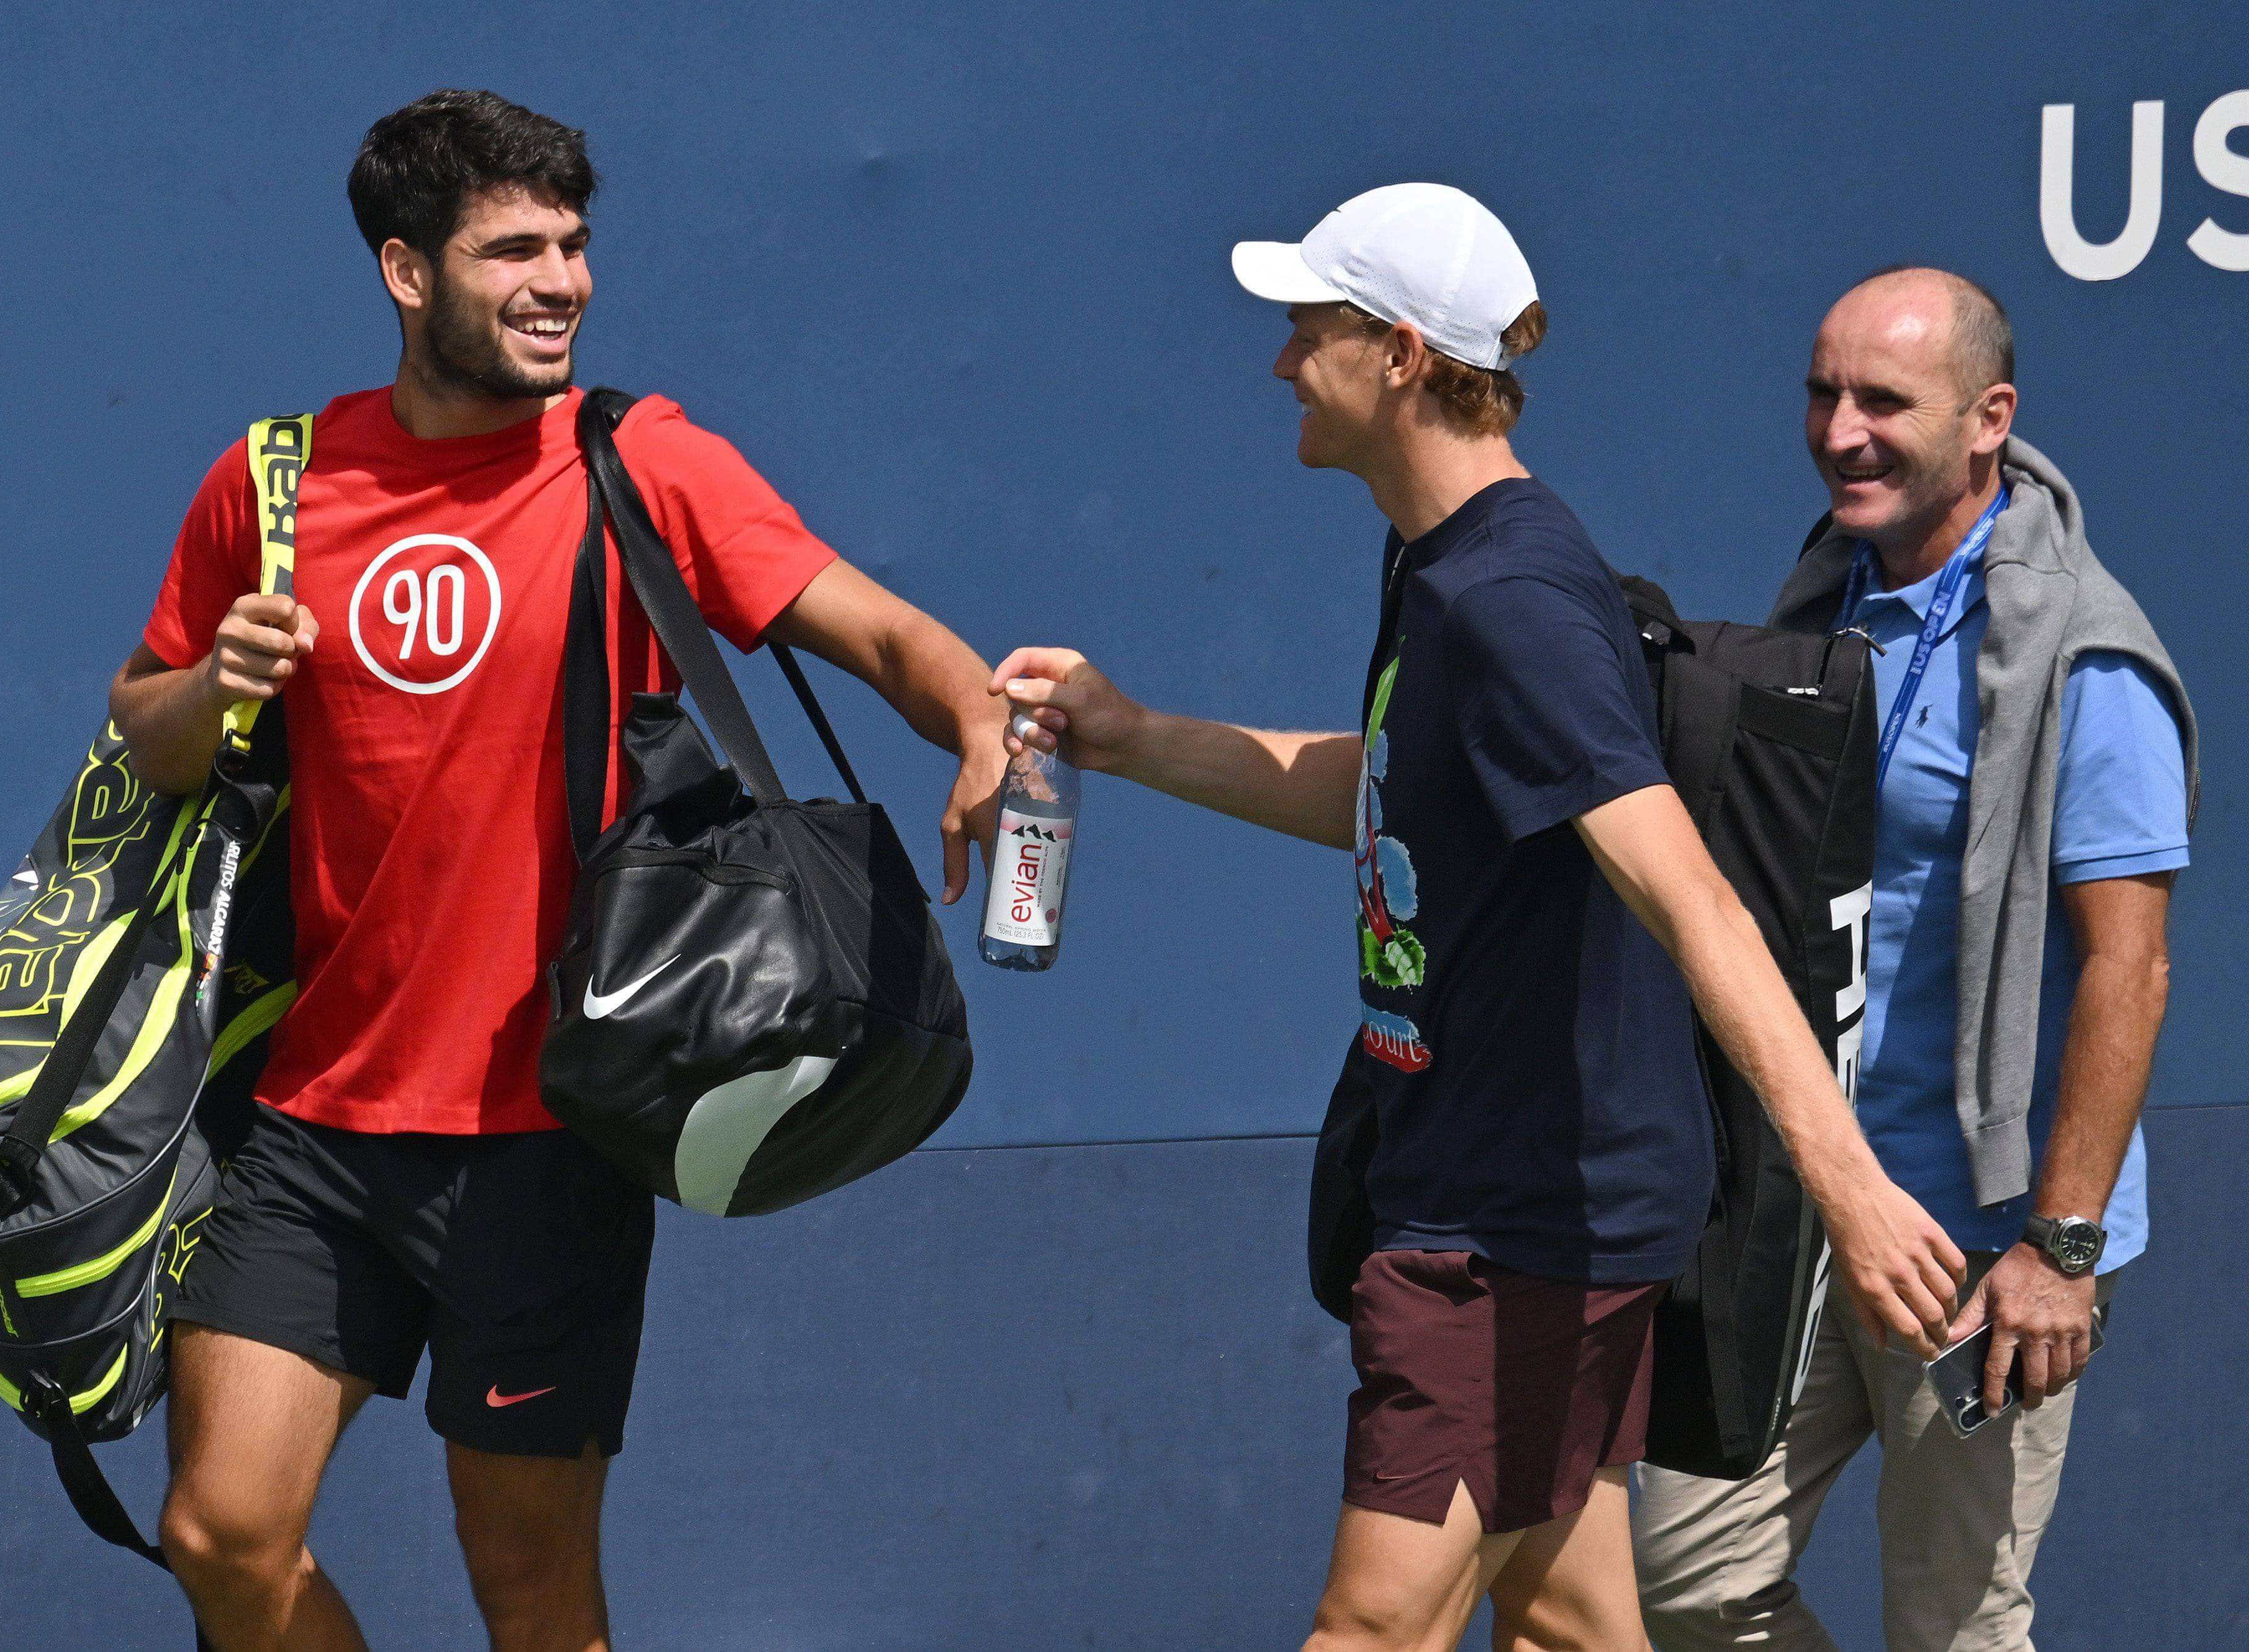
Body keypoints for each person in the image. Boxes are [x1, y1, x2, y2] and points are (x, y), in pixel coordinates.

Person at [991, 185, 1965, 1652]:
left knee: (1370, 1628)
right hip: (1509, 1193)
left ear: (1394, 355)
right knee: (1572, 1622)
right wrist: (1132, 735)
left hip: (1515, 1227)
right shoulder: (1442, 560)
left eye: (1304, 330)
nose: (1276, 364)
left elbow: (1687, 894)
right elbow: (1391, 788)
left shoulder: (1509, 596)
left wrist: (1846, 1181)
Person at [109, 90, 1007, 1652]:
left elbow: (873, 627)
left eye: (574, 244)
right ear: (406, 272)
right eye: (511, 247)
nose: (560, 280)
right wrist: (214, 686)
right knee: (219, 1533)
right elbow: (148, 727)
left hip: (546, 1136)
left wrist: (975, 719)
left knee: (535, 1602)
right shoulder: (273, 481)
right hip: (316, 1122)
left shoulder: (638, 459)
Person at [1634, 267, 2196, 1652]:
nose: (1839, 432)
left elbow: (2127, 969)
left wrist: (2055, 1249)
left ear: (1987, 417)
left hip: (1987, 1245)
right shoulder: (1827, 594)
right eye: (1821, 395)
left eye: (1881, 401)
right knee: (1680, 1583)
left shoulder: (2087, 661)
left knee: (1953, 1625)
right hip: (1813, 1204)